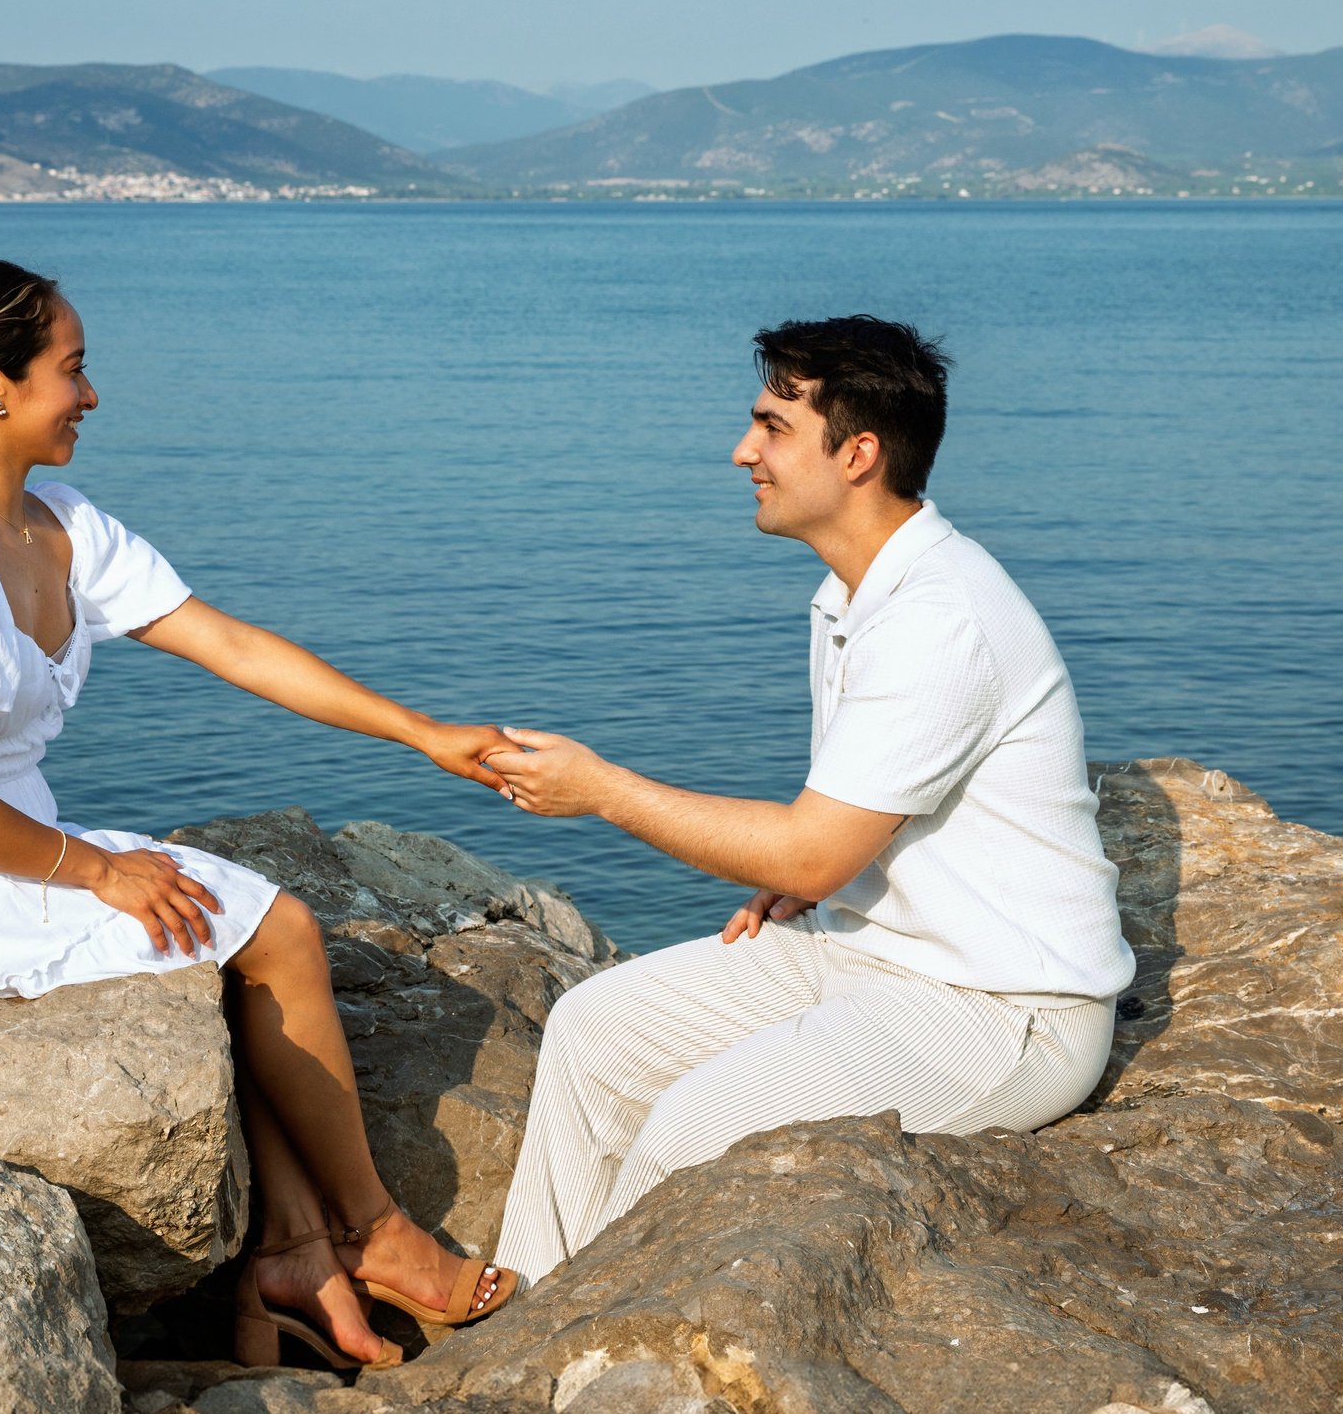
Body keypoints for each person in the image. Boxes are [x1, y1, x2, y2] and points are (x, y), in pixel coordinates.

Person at [0, 259, 509, 1370]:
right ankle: (372, 1232)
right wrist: (95, 870)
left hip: (16, 852)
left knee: (218, 940)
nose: (90, 393)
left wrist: (420, 733)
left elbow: (230, 644)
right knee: (272, 929)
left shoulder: (57, 523)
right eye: (71, 370)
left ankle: (290, 1251)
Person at [485, 314, 1136, 1284]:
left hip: (1002, 1011)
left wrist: (604, 790)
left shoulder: (936, 618)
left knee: (684, 1134)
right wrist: (814, 869)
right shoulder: (854, 594)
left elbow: (808, 850)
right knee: (591, 1032)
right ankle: (525, 1307)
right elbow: (843, 831)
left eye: (772, 427)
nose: (742, 450)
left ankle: (568, 1350)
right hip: (867, 950)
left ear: (858, 453)